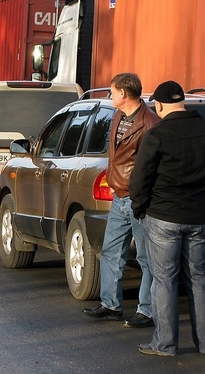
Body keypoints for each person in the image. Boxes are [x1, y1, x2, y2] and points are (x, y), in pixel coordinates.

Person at [129, 80, 205, 356]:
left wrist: (140, 209)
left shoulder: (157, 135)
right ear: (183, 102)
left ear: (159, 105)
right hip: (199, 216)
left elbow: (140, 179)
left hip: (163, 217)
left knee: (164, 280)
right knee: (198, 278)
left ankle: (165, 343)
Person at [82, 72, 159, 328]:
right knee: (111, 251)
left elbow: (152, 166)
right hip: (119, 198)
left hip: (139, 201)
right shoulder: (118, 116)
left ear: (123, 94)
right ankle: (110, 305)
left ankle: (146, 310)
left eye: (112, 91)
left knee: (146, 258)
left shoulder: (150, 123)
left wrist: (141, 196)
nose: (110, 95)